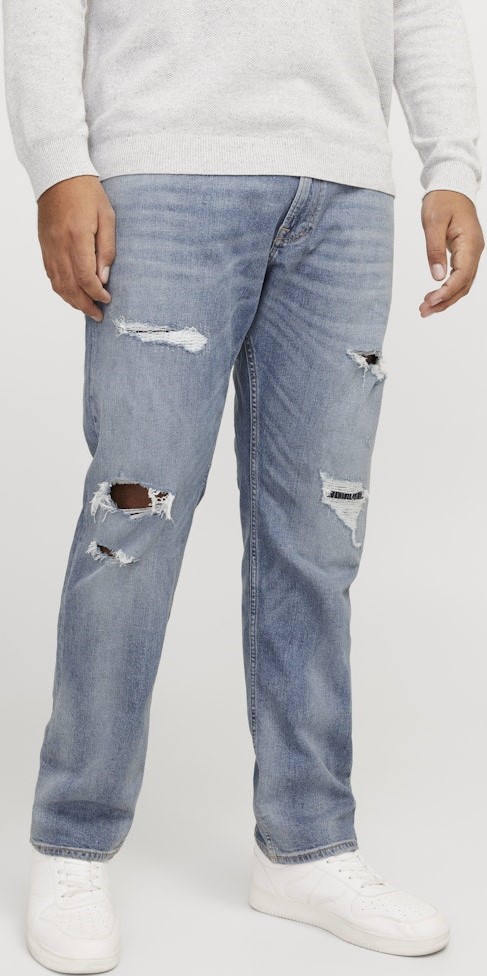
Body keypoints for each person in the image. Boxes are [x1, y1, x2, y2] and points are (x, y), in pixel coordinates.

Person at [2, 0, 484, 970]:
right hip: (163, 166)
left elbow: (425, 7)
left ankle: (307, 843)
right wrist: (57, 161)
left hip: (344, 186)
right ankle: (74, 838)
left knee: (318, 536)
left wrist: (451, 165)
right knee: (132, 523)